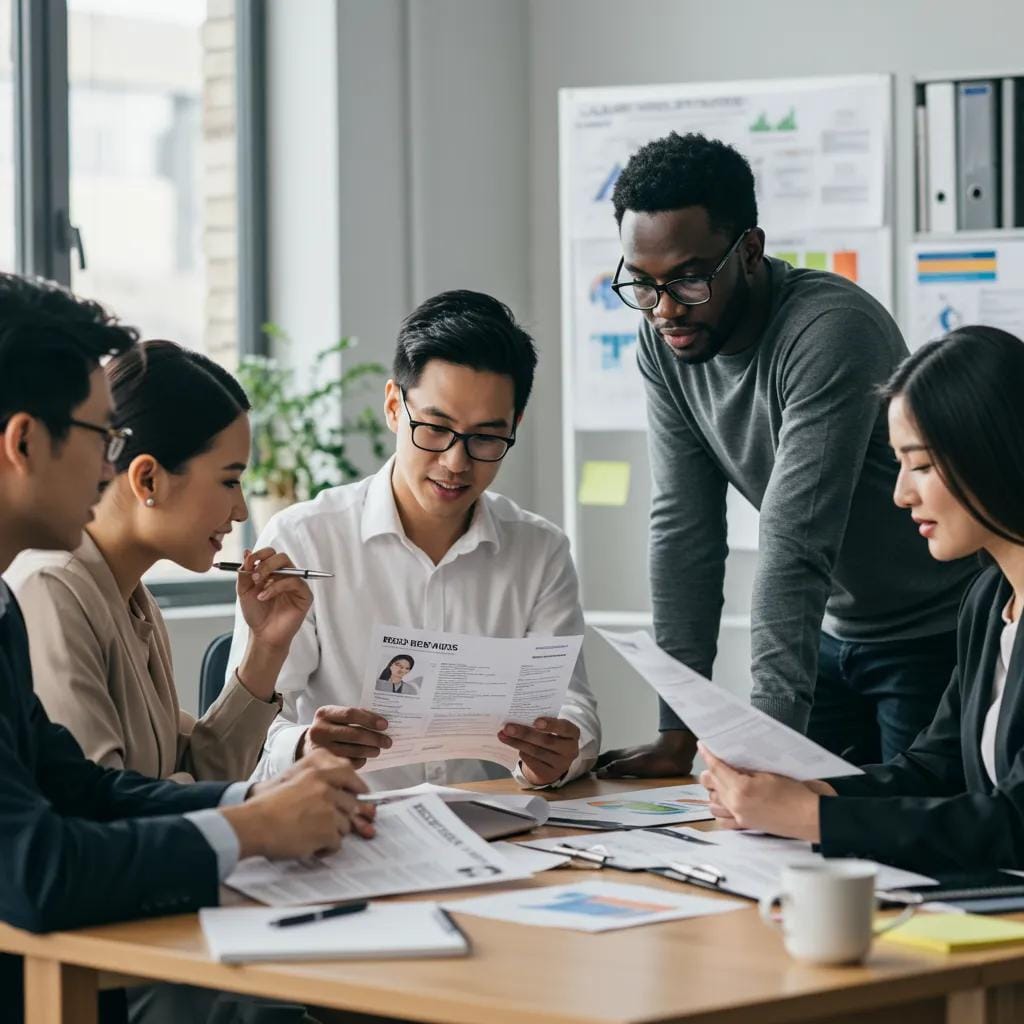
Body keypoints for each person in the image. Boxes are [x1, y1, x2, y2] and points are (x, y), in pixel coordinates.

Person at [0, 274, 373, 1024]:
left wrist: (252, 802)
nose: (107, 467)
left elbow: (85, 789)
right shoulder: (46, 590)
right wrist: (252, 824)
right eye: (100, 439)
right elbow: (42, 867)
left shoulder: (18, 603)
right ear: (24, 441)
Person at [597, 132, 976, 778]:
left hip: (931, 634)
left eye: (688, 280)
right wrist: (677, 730)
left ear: (749, 250)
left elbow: (795, 540)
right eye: (643, 284)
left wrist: (762, 751)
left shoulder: (830, 331)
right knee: (781, 847)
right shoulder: (664, 341)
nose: (663, 309)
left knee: (900, 851)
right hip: (833, 635)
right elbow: (683, 528)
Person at [227, 290, 600, 790]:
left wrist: (558, 752)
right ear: (393, 407)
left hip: (494, 828)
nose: (455, 462)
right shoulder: (306, 538)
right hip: (345, 824)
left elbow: (572, 704)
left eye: (486, 438)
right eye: (435, 428)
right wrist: (303, 746)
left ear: (515, 426)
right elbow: (245, 740)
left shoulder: (540, 552)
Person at [700, 326, 1024, 872]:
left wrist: (810, 818)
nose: (901, 493)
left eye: (920, 465)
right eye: (898, 464)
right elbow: (935, 767)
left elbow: (1014, 824)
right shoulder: (990, 598)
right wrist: (810, 791)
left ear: (991, 450)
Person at [6, 339, 308, 783]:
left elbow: (199, 776)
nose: (241, 510)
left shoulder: (132, 598)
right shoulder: (53, 590)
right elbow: (105, 813)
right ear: (148, 477)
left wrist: (265, 649)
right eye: (229, 481)